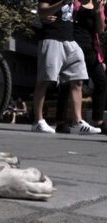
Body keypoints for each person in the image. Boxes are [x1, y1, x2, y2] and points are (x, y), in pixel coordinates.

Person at [32, 0, 101, 134]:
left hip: (70, 40)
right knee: (45, 80)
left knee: (78, 80)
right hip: (52, 38)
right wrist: (61, 3)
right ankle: (38, 121)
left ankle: (77, 122)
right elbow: (42, 11)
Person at [55, 0, 107, 134]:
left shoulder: (98, 5)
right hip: (73, 45)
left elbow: (101, 30)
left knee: (101, 81)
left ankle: (98, 121)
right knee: (67, 84)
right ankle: (61, 122)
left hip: (90, 49)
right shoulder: (74, 3)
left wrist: (97, 10)